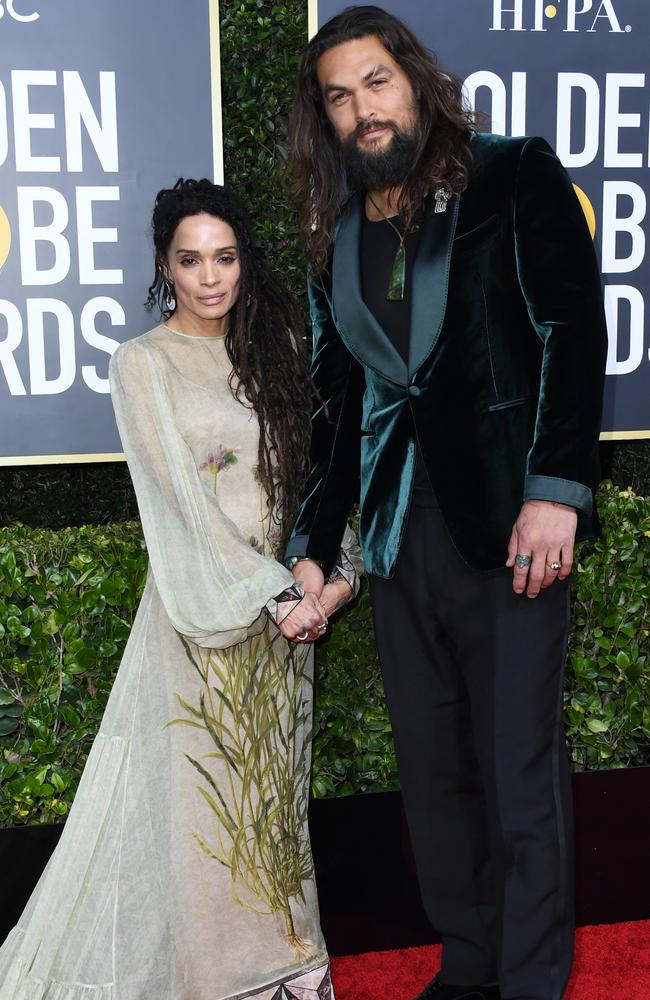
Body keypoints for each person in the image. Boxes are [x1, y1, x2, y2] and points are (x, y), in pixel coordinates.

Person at [283, 7, 608, 1000]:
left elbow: (569, 328)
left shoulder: (511, 173)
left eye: (373, 82)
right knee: (431, 775)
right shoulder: (336, 236)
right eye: (338, 97)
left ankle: (527, 978)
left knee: (516, 773)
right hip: (394, 539)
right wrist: (309, 540)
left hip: (509, 525)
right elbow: (336, 410)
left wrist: (553, 492)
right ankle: (467, 962)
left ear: (414, 80)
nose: (361, 110)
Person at [0, 180, 360, 1000]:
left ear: (245, 263)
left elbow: (321, 486)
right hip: (202, 623)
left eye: (225, 258)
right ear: (165, 265)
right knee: (203, 815)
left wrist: (328, 586)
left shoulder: (282, 356)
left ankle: (289, 975)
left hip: (288, 625)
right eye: (190, 260)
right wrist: (273, 594)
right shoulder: (143, 363)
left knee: (274, 807)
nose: (209, 278)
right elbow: (180, 507)